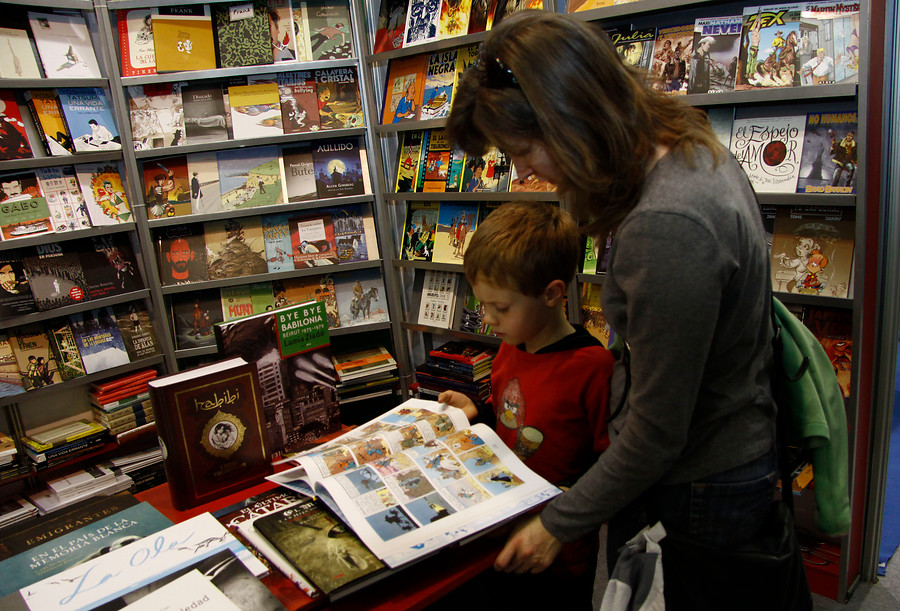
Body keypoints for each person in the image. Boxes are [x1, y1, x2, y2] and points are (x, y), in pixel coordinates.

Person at [446, 10, 778, 606]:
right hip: (713, 454)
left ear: (571, 121)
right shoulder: (683, 148)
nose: (522, 172)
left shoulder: (666, 224)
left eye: (524, 150)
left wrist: (557, 524)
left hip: (697, 482)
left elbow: (658, 431)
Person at [438, 202, 614, 608]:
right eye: (483, 305)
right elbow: (509, 421)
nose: (488, 319)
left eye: (500, 308)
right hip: (500, 528)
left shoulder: (593, 367)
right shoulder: (510, 347)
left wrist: (562, 514)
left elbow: (611, 464)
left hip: (558, 550)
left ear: (552, 294)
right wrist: (475, 411)